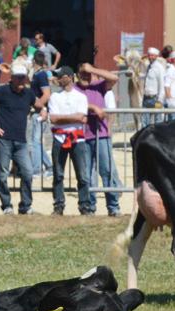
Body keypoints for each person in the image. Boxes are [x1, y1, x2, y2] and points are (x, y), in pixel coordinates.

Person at [0, 61, 46, 215]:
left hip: (21, 141)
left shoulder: (28, 93)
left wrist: (43, 110)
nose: (22, 80)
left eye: (23, 77)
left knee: (28, 172)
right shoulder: (2, 91)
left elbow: (38, 104)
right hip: (3, 139)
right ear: (12, 78)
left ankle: (25, 206)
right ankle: (6, 205)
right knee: (2, 174)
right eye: (19, 77)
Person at [76, 62, 121, 216]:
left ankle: (113, 207)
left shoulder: (99, 86)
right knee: (87, 174)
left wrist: (92, 69)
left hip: (101, 134)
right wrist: (92, 107)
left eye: (88, 74)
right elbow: (74, 104)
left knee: (107, 171)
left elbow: (114, 78)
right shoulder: (74, 89)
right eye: (82, 73)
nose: (85, 76)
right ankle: (90, 207)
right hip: (83, 136)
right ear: (77, 74)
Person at [47, 65, 90, 215]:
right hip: (59, 138)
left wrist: (62, 118)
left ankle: (84, 206)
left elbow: (81, 117)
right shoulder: (54, 96)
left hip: (77, 139)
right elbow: (53, 119)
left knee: (82, 175)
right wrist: (74, 118)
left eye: (61, 76)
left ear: (70, 77)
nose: (58, 79)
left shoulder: (81, 97)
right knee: (58, 174)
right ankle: (58, 205)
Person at [30, 51, 53, 179]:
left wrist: (39, 106)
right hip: (37, 111)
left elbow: (47, 94)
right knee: (36, 142)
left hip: (39, 112)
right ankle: (49, 167)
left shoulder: (41, 75)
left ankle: (36, 170)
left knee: (35, 141)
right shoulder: (36, 75)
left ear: (34, 61)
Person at [141, 47, 165, 127]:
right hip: (146, 98)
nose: (150, 57)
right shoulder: (149, 67)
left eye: (152, 55)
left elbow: (162, 84)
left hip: (155, 98)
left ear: (156, 56)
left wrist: (160, 100)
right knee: (144, 122)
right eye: (149, 55)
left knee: (158, 121)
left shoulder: (159, 68)